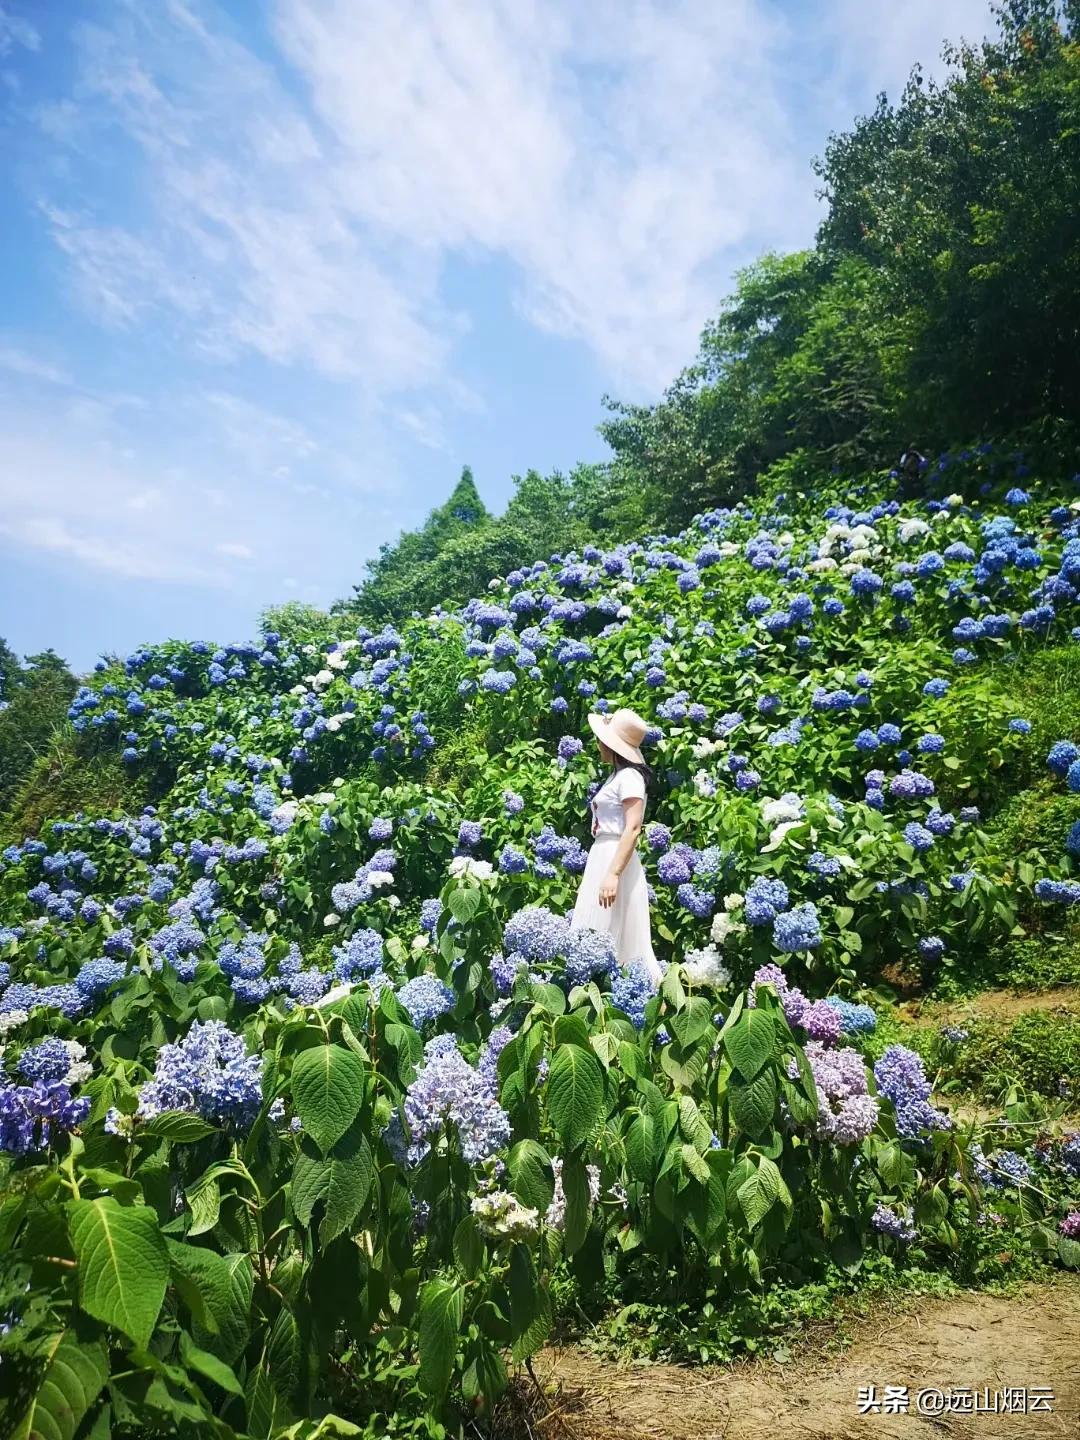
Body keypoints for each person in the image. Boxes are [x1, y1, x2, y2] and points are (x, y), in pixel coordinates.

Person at [570, 707, 662, 981]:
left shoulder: (630, 777)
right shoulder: (617, 776)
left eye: (602, 739)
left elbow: (632, 829)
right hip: (604, 854)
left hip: (615, 857)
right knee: (598, 923)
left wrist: (613, 873)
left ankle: (629, 988)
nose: (598, 744)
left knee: (615, 928)